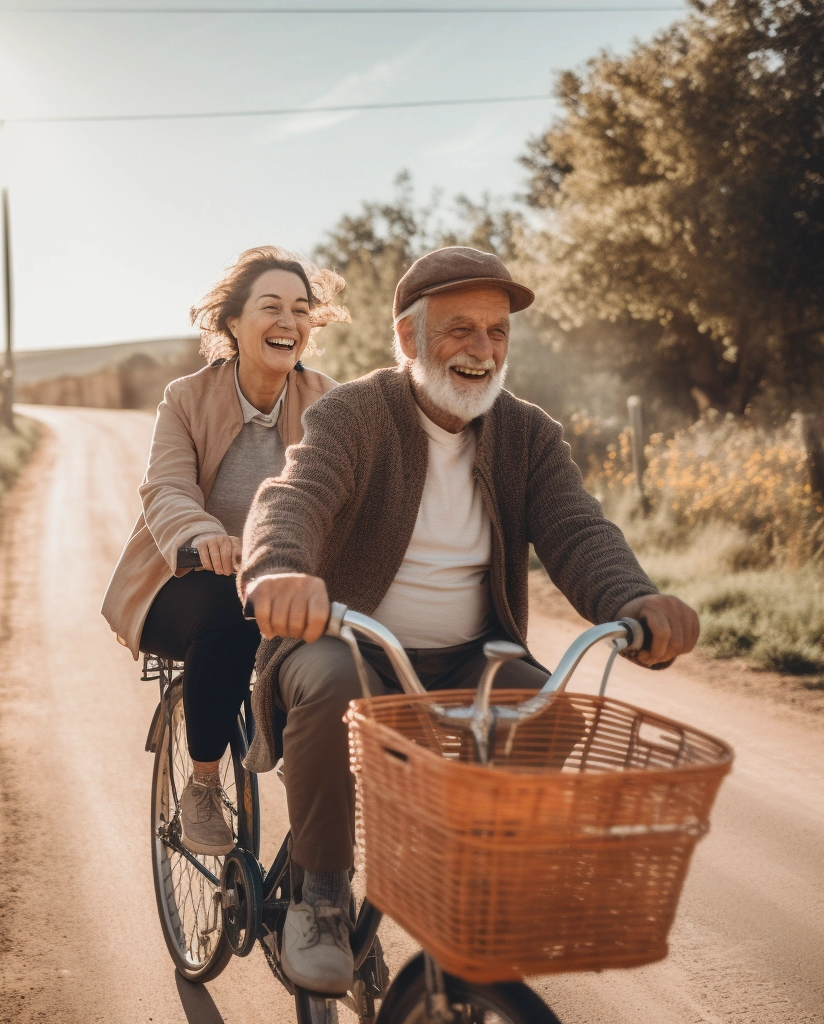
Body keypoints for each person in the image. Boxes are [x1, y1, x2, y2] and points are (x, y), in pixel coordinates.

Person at [236, 246, 701, 994]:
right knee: (327, 678)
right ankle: (321, 896)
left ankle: (477, 893)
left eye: (497, 332)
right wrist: (279, 570)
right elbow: (292, 497)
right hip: (355, 647)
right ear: (409, 338)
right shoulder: (352, 414)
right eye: (460, 330)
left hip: (469, 660)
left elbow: (578, 530)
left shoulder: (527, 433)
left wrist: (634, 600)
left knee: (545, 710)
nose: (483, 350)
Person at [101, 246, 347, 856]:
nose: (288, 321)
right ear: (233, 323)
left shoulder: (329, 400)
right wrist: (201, 533)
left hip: (286, 587)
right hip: (186, 581)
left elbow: (355, 493)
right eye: (271, 307)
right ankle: (205, 784)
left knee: (352, 649)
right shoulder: (186, 398)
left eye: (300, 309)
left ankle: (316, 888)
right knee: (227, 607)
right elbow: (166, 486)